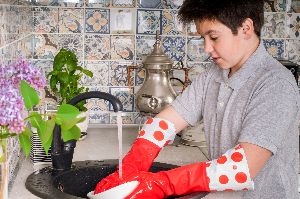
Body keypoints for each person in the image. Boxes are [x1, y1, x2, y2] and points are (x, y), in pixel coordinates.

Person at [91, 0, 300, 198]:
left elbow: (242, 167)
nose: (207, 48)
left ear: (246, 28)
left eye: (214, 37)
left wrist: (163, 184)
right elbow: (166, 122)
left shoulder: (275, 84)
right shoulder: (214, 74)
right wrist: (132, 166)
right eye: (203, 38)